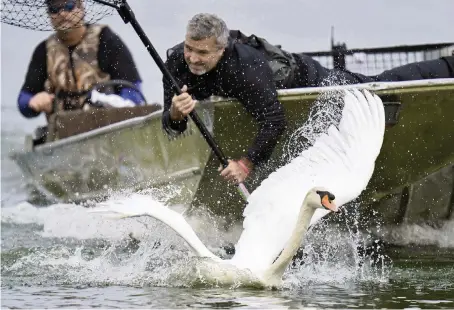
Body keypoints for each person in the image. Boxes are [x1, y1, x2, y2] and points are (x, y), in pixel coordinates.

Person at [162, 13, 454, 185]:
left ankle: (447, 66)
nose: (193, 58)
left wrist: (246, 164)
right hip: (265, 84)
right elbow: (170, 125)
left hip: (307, 78)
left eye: (202, 53)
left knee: (375, 86)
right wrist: (176, 114)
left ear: (222, 50)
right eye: (190, 48)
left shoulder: (245, 69)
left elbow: (274, 120)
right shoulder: (175, 62)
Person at [18, 0, 145, 119]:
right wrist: (32, 102)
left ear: (81, 7)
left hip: (108, 125)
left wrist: (112, 103)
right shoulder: (43, 51)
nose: (62, 13)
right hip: (63, 132)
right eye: (54, 9)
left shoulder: (106, 40)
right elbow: (23, 99)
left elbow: (133, 90)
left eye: (69, 6)